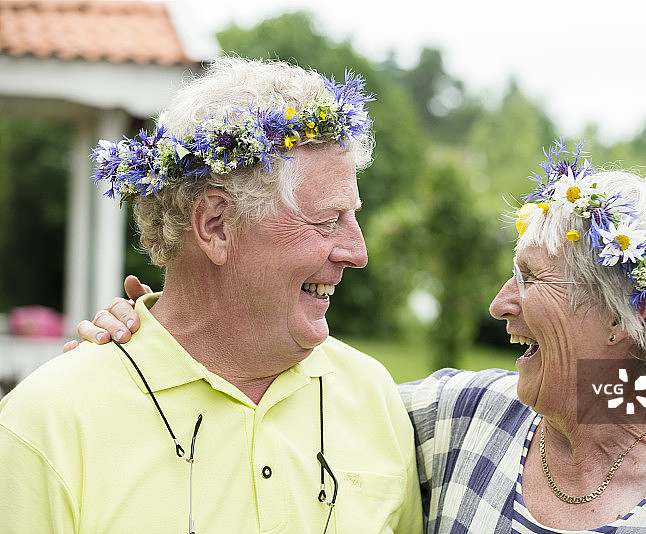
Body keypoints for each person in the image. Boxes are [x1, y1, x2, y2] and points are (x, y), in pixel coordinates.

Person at [69, 141, 646, 532]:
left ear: (622, 315)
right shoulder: (464, 420)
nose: (499, 304)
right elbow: (291, 393)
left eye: (532, 279)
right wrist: (163, 326)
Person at [0, 57, 421, 533]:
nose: (357, 252)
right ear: (216, 225)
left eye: (352, 217)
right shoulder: (50, 422)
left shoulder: (374, 397)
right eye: (327, 221)